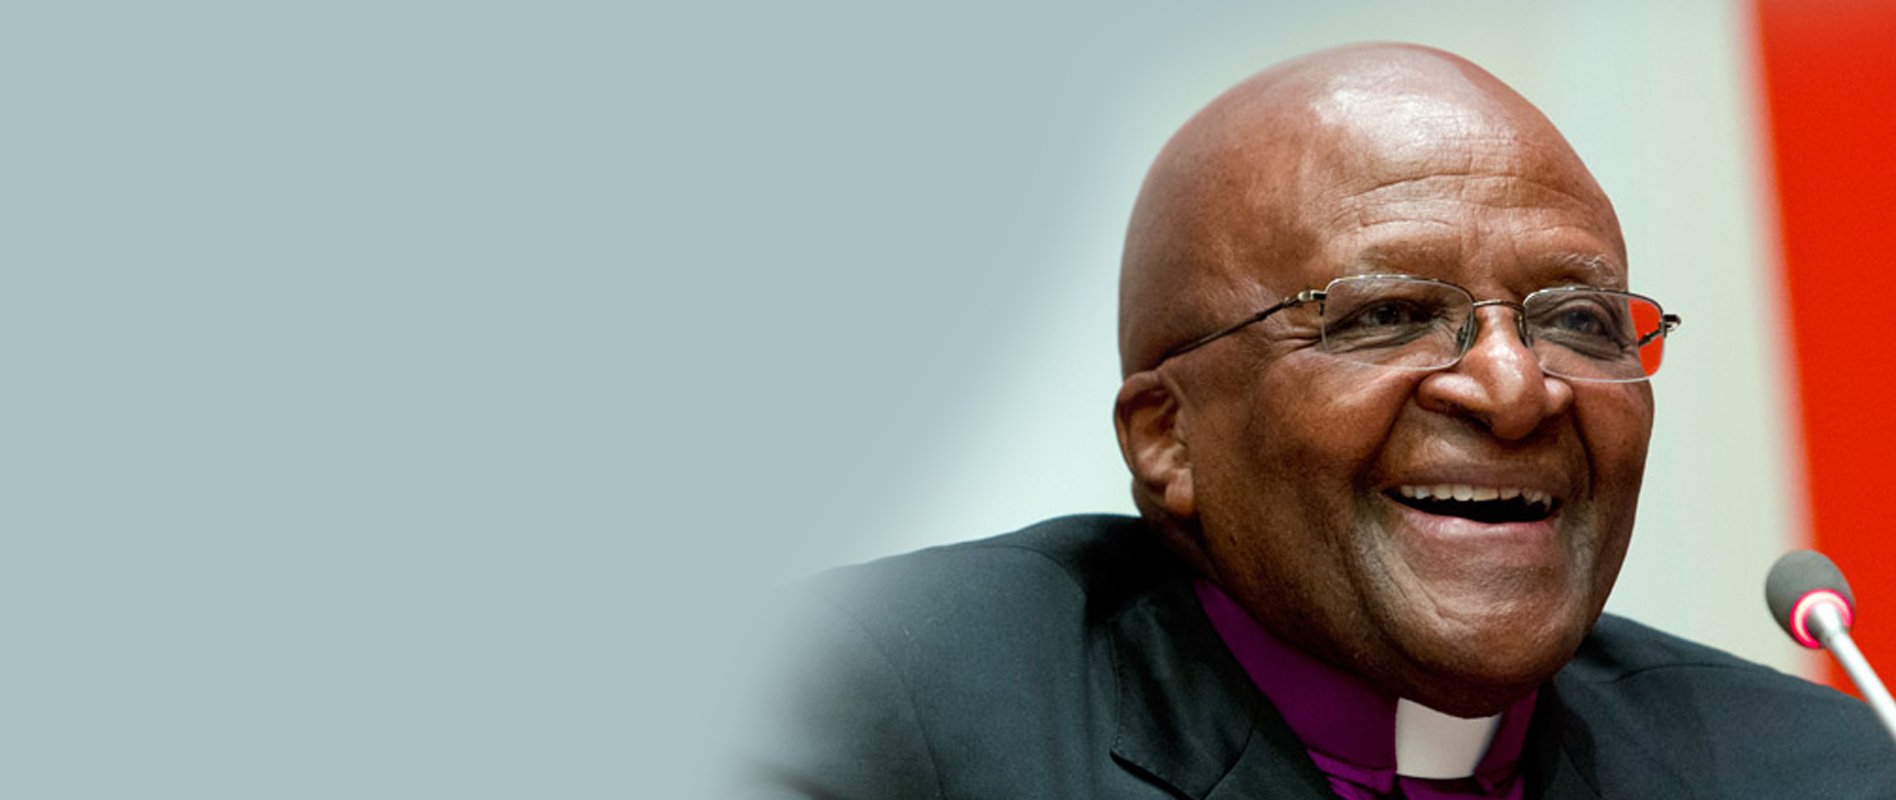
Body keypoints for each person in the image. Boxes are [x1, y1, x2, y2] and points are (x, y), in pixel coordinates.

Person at [752, 43, 1895, 798]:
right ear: (1167, 437)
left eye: (1580, 321)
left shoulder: (1818, 768)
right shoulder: (876, 710)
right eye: (1388, 314)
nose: (1515, 389)